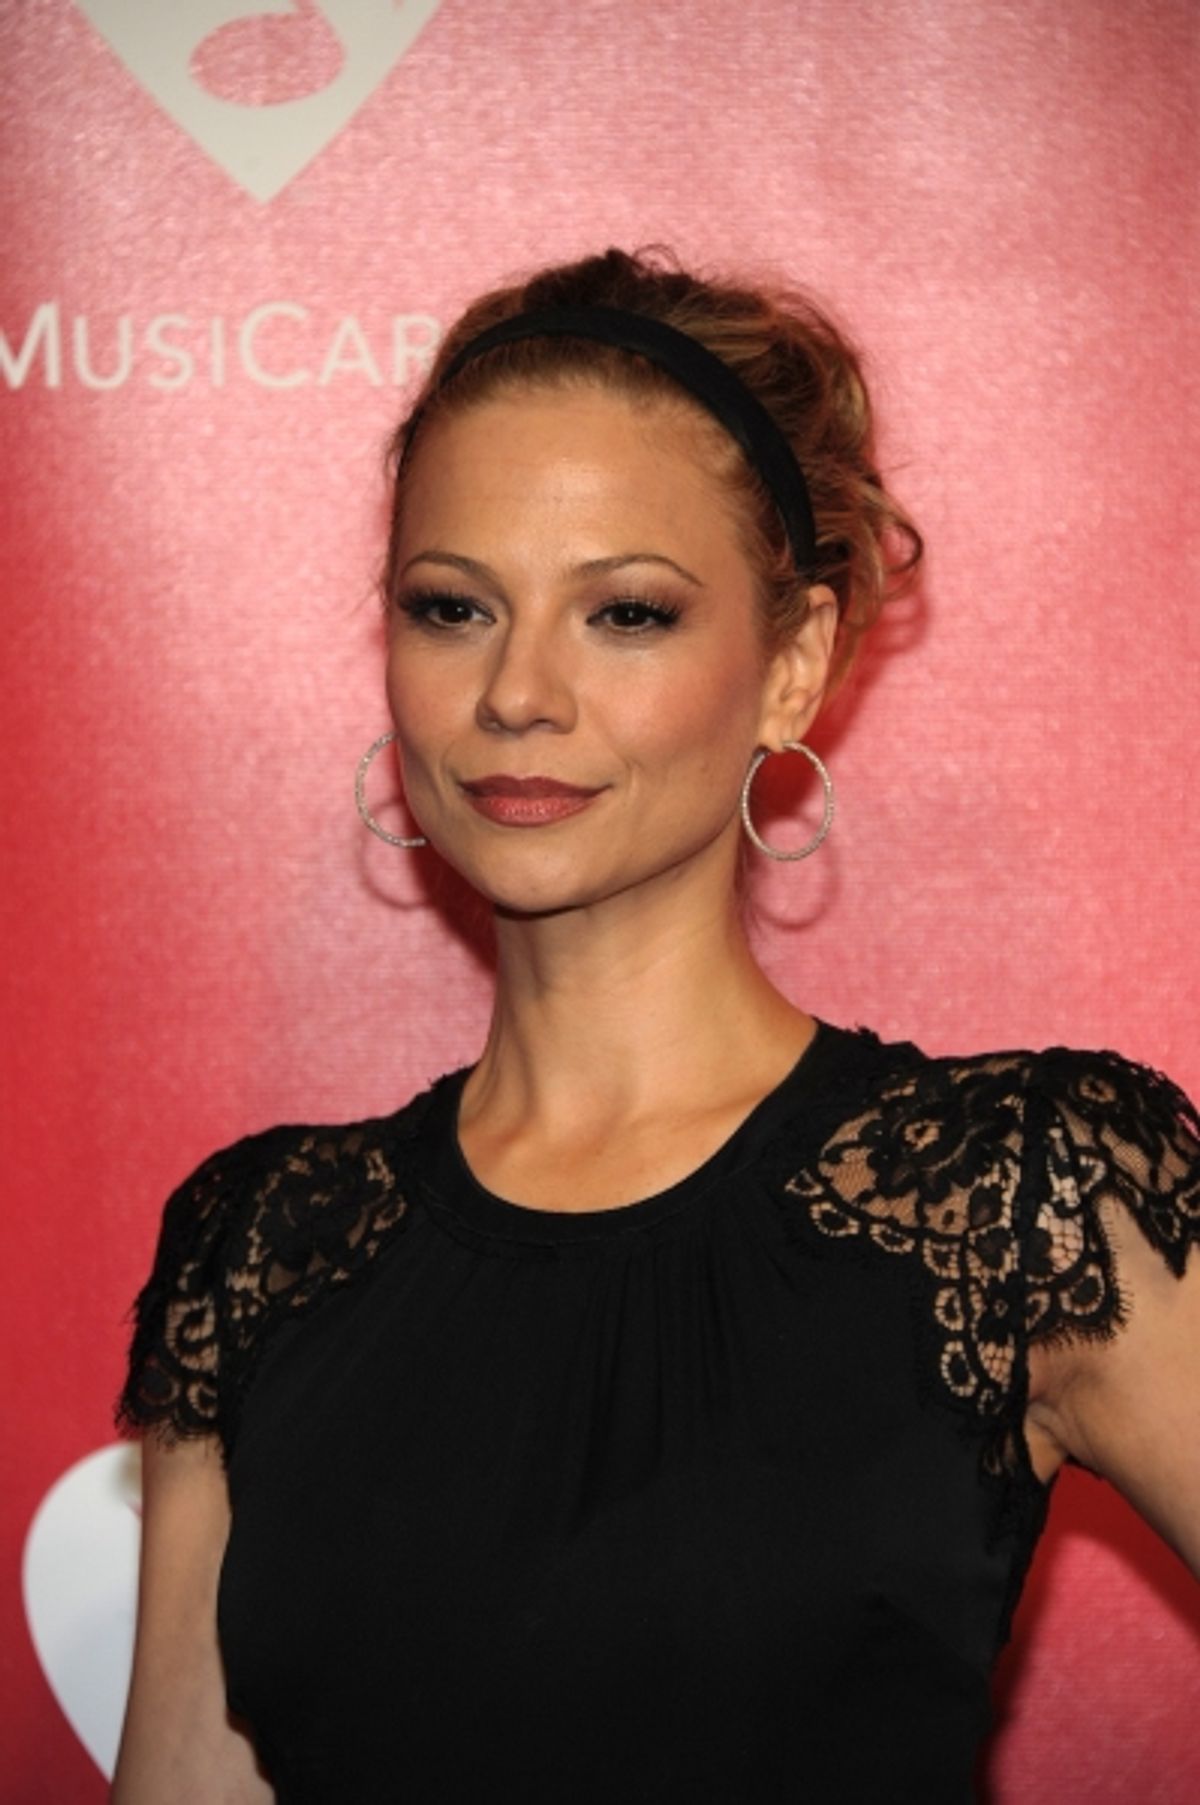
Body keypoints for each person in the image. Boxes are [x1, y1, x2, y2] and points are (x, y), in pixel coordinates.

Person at [111, 247, 1200, 1804]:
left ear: (795, 662)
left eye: (624, 611)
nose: (518, 692)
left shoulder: (1022, 1193)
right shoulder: (260, 1240)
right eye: (452, 606)